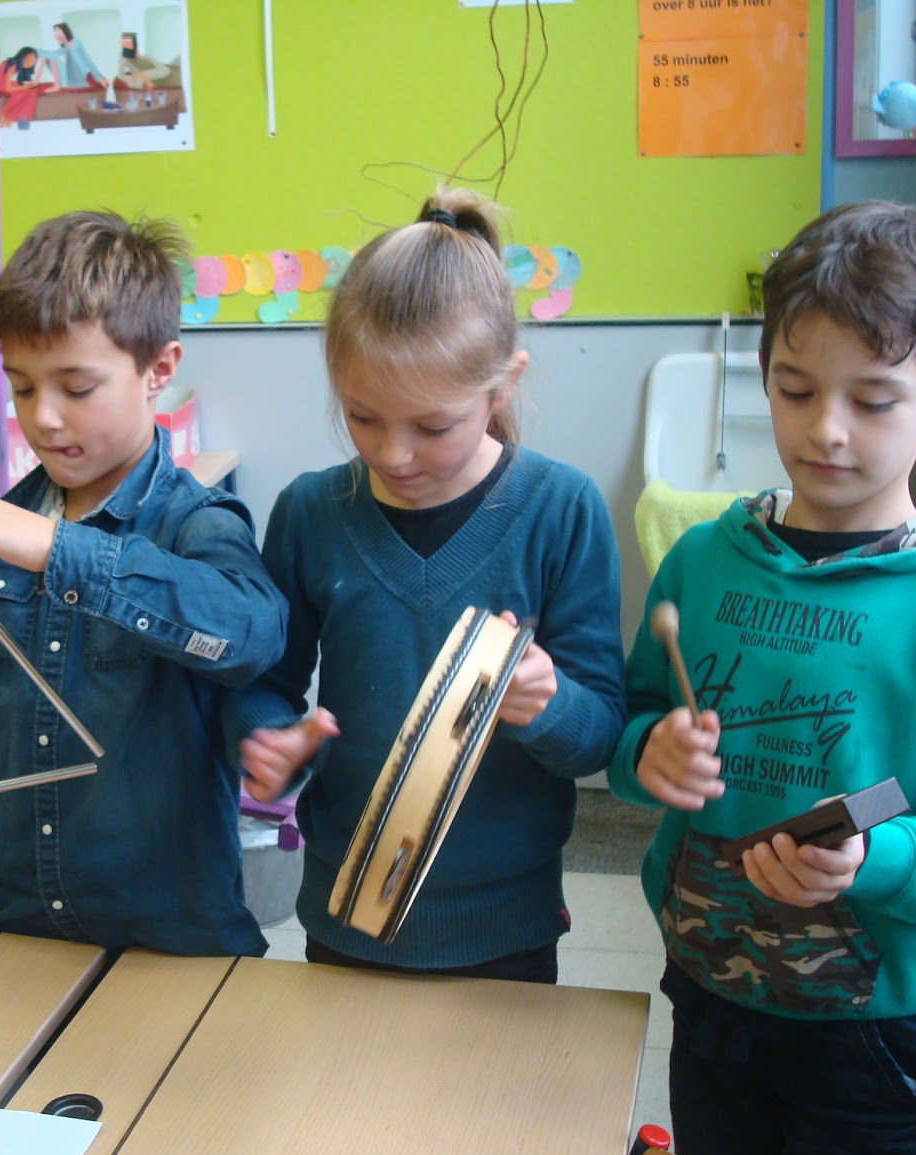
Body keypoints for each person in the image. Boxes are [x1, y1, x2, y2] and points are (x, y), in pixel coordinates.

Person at [608, 200, 916, 1155]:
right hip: (712, 990)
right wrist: (648, 754)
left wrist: (870, 859)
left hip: (877, 1032)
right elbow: (629, 735)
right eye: (794, 390)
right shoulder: (704, 562)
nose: (824, 429)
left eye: (874, 400)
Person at [224, 189, 627, 983]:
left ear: (502, 386)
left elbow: (601, 734)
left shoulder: (563, 509)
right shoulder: (311, 512)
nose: (393, 455)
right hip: (345, 914)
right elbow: (263, 685)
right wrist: (272, 743)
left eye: (433, 426)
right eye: (362, 417)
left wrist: (548, 704)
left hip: (506, 928)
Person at [0, 210, 288, 960]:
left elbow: (250, 632)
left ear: (159, 369)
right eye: (21, 387)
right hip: (23, 931)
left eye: (76, 388)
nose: (42, 418)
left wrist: (60, 550)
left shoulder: (196, 522)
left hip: (176, 942)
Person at [41, 21, 106, 91]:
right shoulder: (63, 48)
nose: (57, 35)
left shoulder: (76, 41)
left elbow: (87, 59)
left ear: (65, 31)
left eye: (58, 32)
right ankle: (58, 84)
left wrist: (99, 78)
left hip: (81, 74)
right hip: (71, 77)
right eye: (55, 33)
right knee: (47, 58)